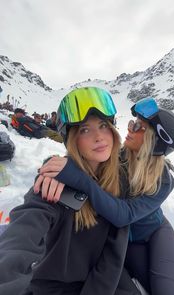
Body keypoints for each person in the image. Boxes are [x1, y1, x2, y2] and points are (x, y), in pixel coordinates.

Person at [36, 96, 174, 294]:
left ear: (154, 140)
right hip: (124, 239)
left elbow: (123, 215)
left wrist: (79, 180)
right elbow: (81, 160)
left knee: (167, 290)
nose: (130, 128)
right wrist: (54, 168)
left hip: (155, 232)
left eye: (139, 126)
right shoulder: (116, 156)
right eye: (132, 122)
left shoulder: (164, 181)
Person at [0, 87, 141, 295]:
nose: (99, 137)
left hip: (104, 282)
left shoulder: (120, 180)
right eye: (85, 129)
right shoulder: (53, 182)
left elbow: (113, 252)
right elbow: (25, 229)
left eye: (103, 125)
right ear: (72, 139)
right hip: (53, 286)